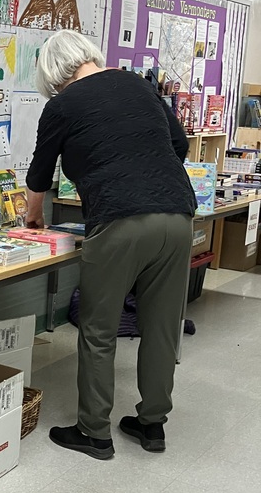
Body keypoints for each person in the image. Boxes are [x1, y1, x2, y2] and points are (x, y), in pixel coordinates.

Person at [25, 30, 196, 460]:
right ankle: (152, 425)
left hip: (119, 219)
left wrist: (34, 218)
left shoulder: (62, 105)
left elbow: (39, 174)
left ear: (54, 74)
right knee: (161, 325)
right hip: (177, 215)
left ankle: (94, 432)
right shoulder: (140, 84)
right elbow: (179, 144)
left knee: (99, 328)